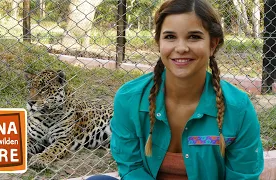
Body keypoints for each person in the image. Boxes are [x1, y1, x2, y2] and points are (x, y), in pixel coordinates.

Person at [88, 0, 264, 179]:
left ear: (212, 44)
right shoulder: (130, 99)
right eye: (170, 37)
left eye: (194, 36)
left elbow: (244, 175)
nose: (181, 48)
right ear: (159, 43)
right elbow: (131, 167)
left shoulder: (238, 109)